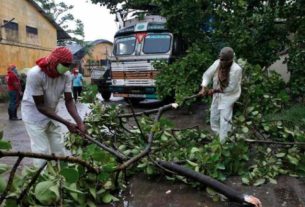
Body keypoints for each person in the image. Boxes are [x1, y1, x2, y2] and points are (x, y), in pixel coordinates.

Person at [21, 47, 86, 167]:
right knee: (42, 151)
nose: (67, 67)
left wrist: (79, 122)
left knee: (59, 147)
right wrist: (67, 123)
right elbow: (40, 106)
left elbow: (69, 101)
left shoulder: (66, 75)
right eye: (64, 64)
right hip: (34, 116)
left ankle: (62, 176)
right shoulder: (35, 74)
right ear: (54, 61)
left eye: (69, 65)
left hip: (52, 114)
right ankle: (43, 178)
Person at [198, 47, 242, 143]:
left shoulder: (236, 69)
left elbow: (231, 88)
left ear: (230, 59)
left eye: (224, 60)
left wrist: (214, 90)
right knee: (214, 118)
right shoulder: (217, 63)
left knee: (225, 120)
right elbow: (207, 75)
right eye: (220, 59)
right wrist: (203, 88)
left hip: (229, 97)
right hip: (217, 95)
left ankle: (224, 143)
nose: (221, 61)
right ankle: (218, 139)